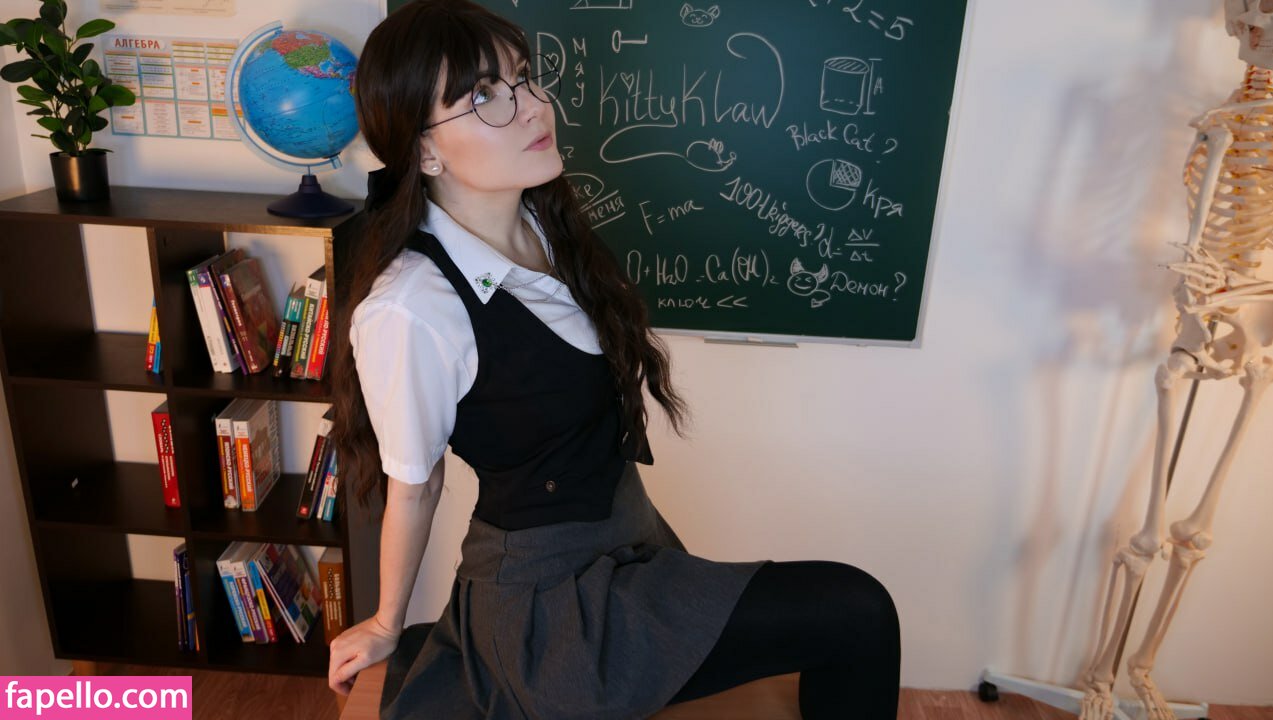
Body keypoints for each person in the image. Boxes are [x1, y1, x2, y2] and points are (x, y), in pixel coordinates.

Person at [325, 1, 900, 718]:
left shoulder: (542, 224)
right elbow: (416, 483)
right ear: (425, 153)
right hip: (552, 609)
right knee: (857, 611)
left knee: (846, 617)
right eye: (485, 96)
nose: (533, 106)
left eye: (524, 78)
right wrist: (387, 621)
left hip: (630, 540)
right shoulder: (412, 307)